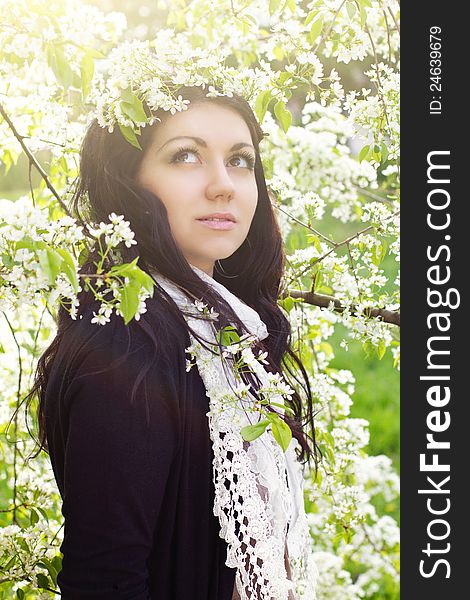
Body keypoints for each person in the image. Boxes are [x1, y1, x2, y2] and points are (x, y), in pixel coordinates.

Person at [30, 85, 319, 599]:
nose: (222, 185)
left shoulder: (227, 329)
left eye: (240, 160)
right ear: (127, 179)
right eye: (185, 156)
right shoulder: (124, 353)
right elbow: (105, 585)